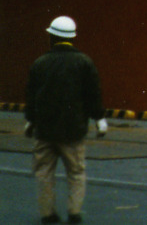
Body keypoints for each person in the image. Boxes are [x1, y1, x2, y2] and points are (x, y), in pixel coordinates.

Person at [25, 15, 106, 225]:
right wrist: (99, 119)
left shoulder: (39, 63)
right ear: (73, 38)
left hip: (44, 130)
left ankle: (47, 215)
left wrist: (30, 121)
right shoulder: (84, 62)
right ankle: (74, 212)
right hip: (73, 131)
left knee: (44, 173)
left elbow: (32, 96)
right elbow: (92, 94)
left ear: (51, 36)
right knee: (76, 173)